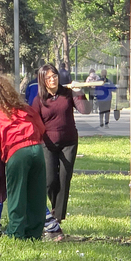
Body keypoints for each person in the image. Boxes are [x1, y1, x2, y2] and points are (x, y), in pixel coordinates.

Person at [0, 76, 50, 240]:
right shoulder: (26, 109)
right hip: (37, 149)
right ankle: (34, 232)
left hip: (17, 152)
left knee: (16, 194)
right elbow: (41, 128)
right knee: (37, 194)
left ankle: (15, 232)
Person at [31, 63, 91, 236]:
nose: (53, 79)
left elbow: (85, 110)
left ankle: (57, 217)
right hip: (47, 144)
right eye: (49, 77)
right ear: (43, 80)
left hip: (69, 142)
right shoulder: (39, 100)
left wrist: (79, 92)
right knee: (50, 180)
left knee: (64, 179)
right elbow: (33, 122)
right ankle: (52, 211)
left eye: (55, 76)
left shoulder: (67, 93)